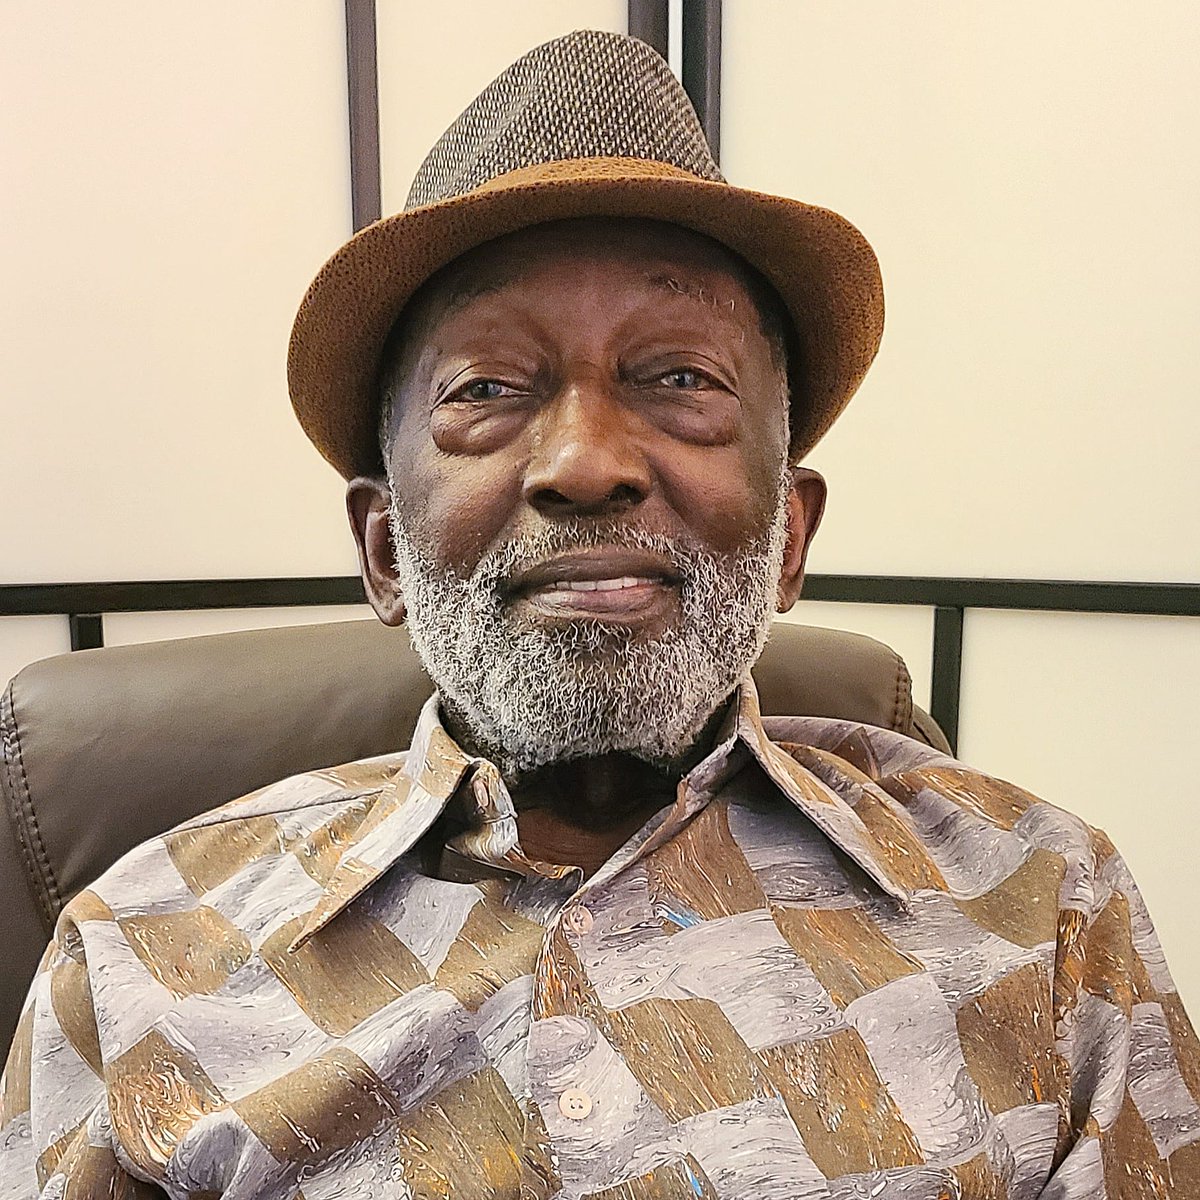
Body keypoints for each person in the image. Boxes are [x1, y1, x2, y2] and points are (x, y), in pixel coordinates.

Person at [2, 30, 1197, 1200]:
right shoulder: (136, 957)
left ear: (789, 536)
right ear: (385, 552)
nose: (582, 463)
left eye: (679, 379)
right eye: (487, 390)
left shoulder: (1044, 911)